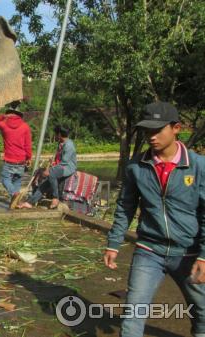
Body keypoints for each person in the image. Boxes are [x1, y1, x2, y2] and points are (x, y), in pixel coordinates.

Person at [104, 102, 205, 337]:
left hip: (188, 252)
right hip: (150, 250)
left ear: (176, 128)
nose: (151, 136)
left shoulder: (198, 167)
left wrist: (203, 255)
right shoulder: (136, 167)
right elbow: (125, 206)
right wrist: (113, 242)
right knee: (132, 314)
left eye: (157, 130)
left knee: (202, 313)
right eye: (147, 131)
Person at [18, 125, 77, 209]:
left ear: (59, 134)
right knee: (44, 185)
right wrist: (52, 164)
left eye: (56, 134)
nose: (55, 136)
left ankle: (55, 198)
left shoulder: (69, 146)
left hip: (68, 168)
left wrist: (50, 169)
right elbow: (59, 159)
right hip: (61, 167)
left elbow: (64, 162)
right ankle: (29, 202)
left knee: (51, 173)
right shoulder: (61, 144)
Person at [0, 104, 33, 201]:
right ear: (19, 115)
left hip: (9, 160)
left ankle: (14, 193)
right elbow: (28, 145)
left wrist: (3, 116)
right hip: (21, 160)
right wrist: (29, 158)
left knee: (5, 180)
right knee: (17, 182)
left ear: (8, 114)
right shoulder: (25, 126)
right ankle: (16, 203)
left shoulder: (3, 125)